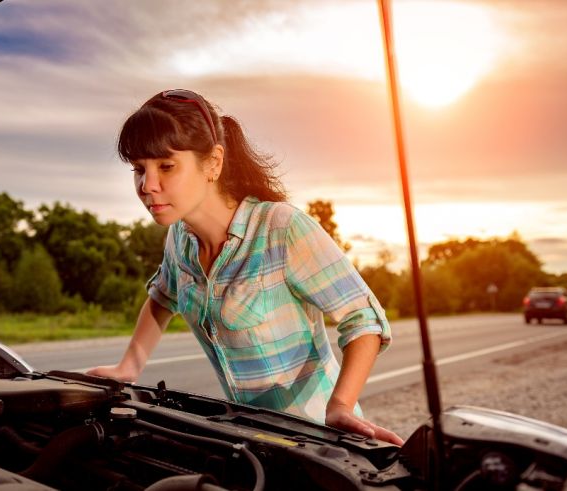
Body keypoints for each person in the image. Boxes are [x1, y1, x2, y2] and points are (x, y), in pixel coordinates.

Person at [86, 89, 401, 445]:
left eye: (166, 166)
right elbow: (162, 295)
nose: (147, 185)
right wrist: (129, 366)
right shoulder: (180, 238)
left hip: (319, 439)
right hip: (252, 438)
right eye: (138, 170)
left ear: (214, 163)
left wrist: (341, 405)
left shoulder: (282, 228)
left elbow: (364, 320)